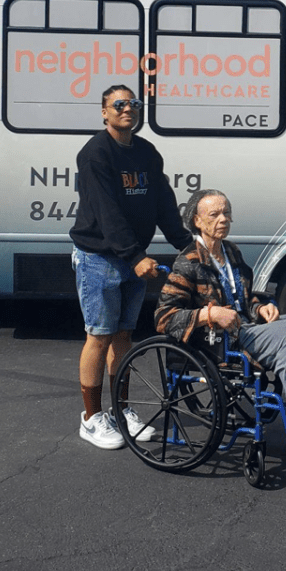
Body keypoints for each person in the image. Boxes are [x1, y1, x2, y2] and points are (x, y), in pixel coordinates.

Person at [155, 190, 286, 453]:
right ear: (197, 221)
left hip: (247, 327)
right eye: (214, 214)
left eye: (226, 212)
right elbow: (164, 317)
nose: (223, 218)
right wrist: (209, 314)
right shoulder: (187, 262)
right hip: (222, 340)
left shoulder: (231, 251)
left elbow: (244, 300)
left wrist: (260, 309)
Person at [70, 84, 193, 450]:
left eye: (133, 103)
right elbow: (107, 213)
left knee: (123, 337)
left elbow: (163, 204)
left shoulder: (147, 153)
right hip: (100, 259)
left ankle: (121, 411)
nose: (128, 109)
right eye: (119, 104)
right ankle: (91, 418)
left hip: (132, 258)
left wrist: (187, 245)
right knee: (99, 335)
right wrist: (136, 256)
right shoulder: (95, 154)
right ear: (104, 112)